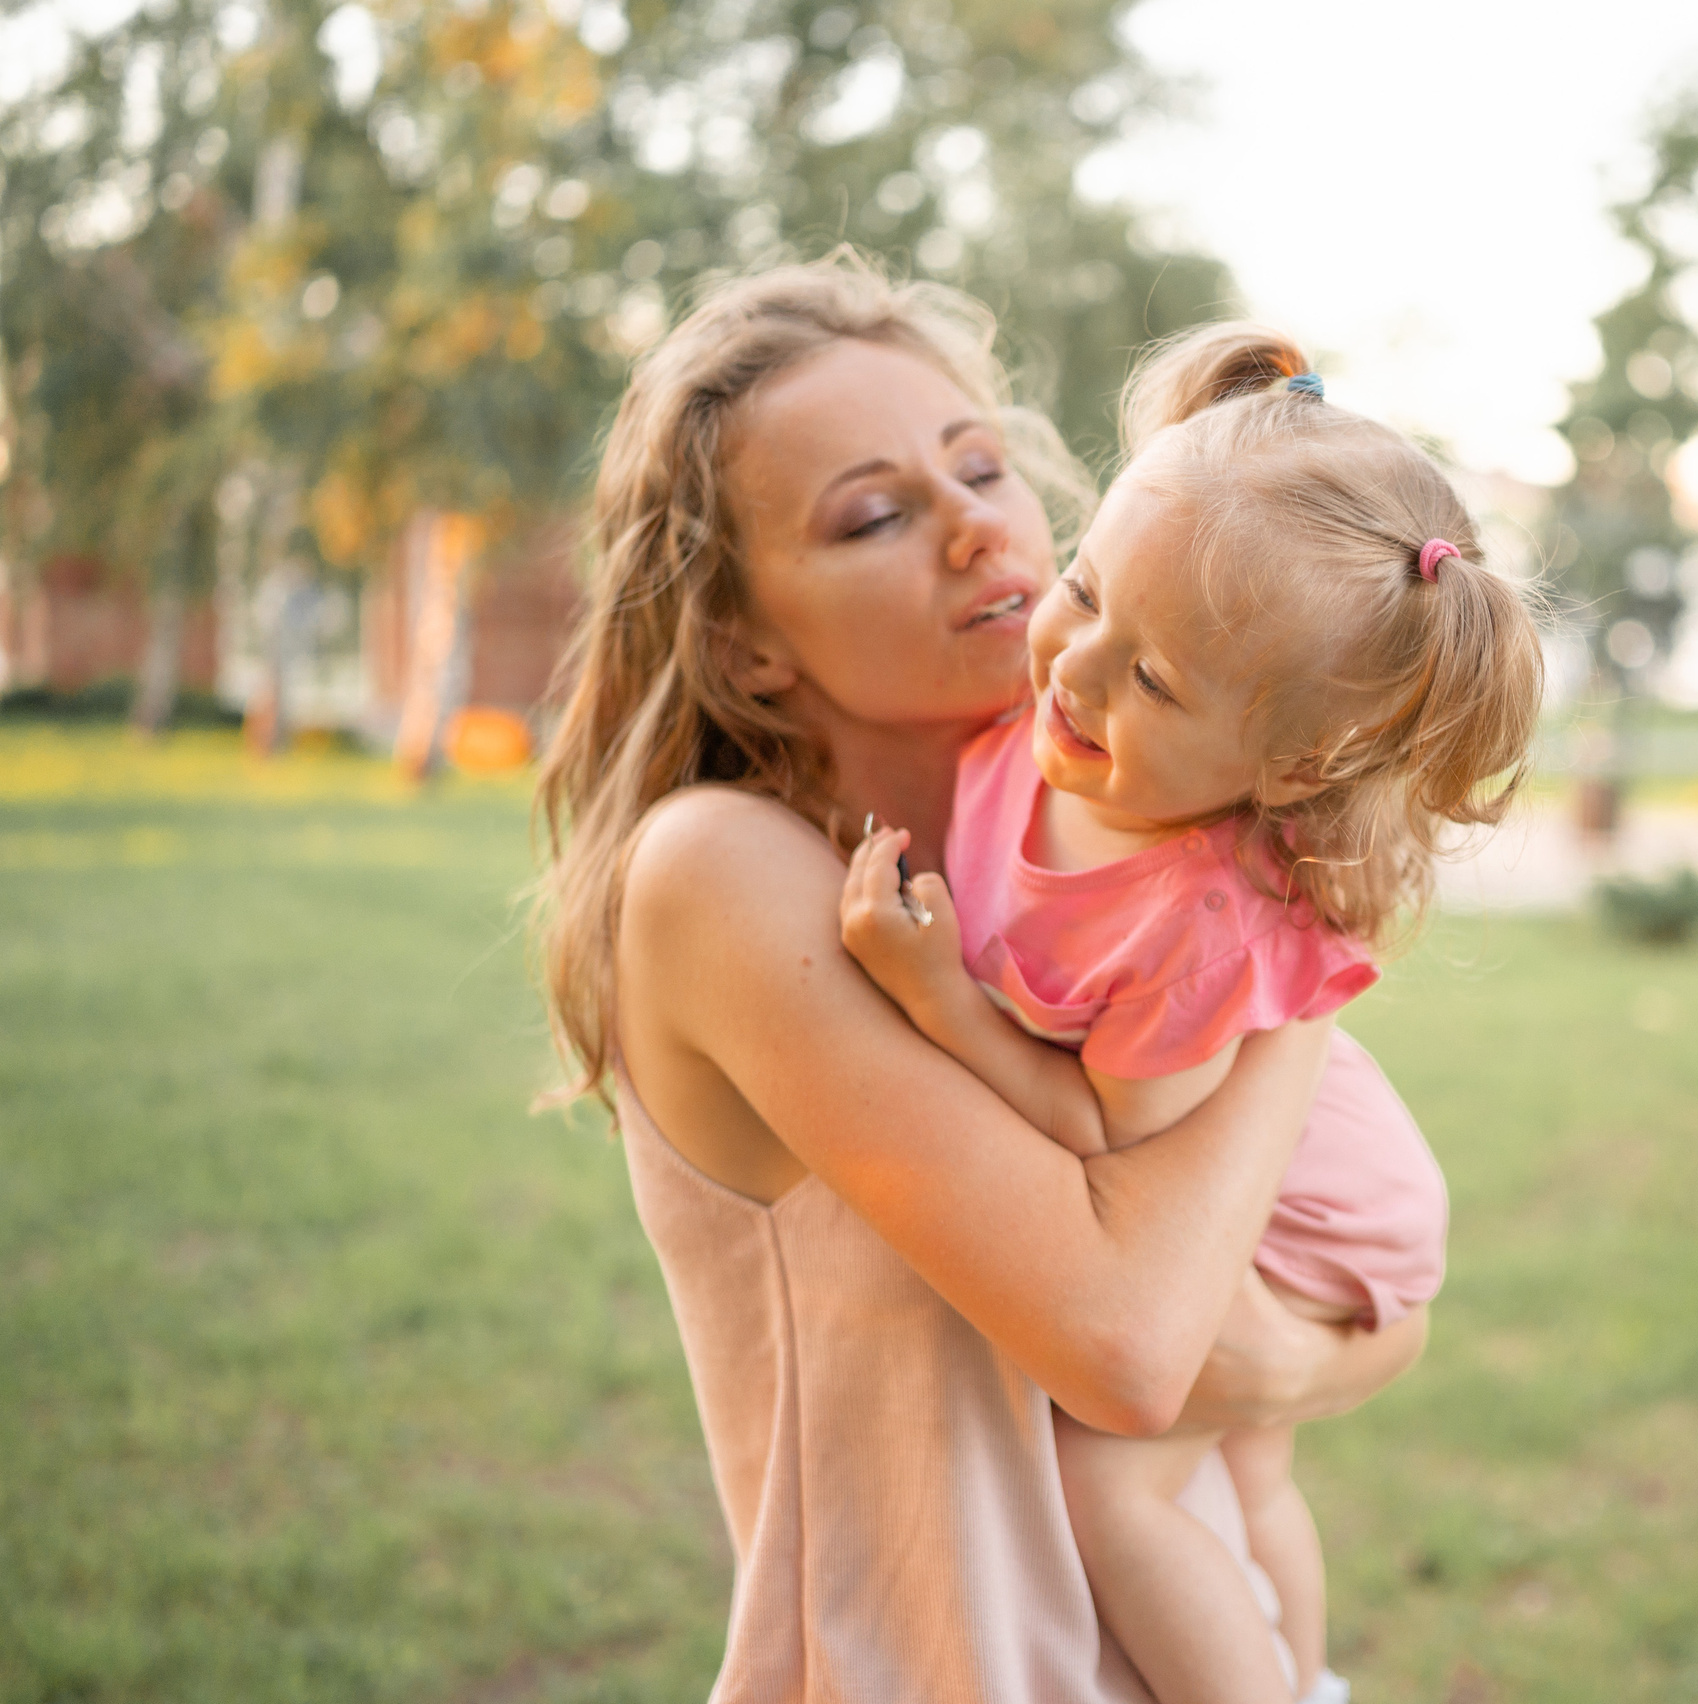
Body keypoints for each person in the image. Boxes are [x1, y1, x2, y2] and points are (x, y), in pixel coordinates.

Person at [532, 251, 1428, 1702]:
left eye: (981, 465)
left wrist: (1305, 1356)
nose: (973, 527)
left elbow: (1366, 1316)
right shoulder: (723, 874)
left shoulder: (1109, 869)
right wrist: (1297, 955)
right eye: (875, 514)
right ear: (745, 648)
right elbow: (1136, 1351)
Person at [839, 325, 1543, 1704]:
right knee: (1250, 1469)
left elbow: (1108, 1131)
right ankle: (1307, 1671)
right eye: (1085, 590)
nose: (1077, 669)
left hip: (1321, 1213)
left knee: (1118, 1491)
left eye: (1154, 680)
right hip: (1265, 1167)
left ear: (1291, 766)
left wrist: (935, 997)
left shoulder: (1199, 923)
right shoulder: (1037, 740)